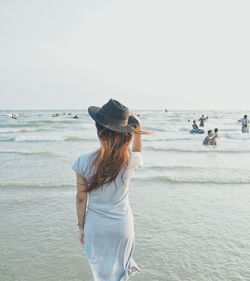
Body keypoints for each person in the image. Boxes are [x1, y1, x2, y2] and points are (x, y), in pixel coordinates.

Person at [72, 99, 150, 281]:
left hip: (95, 226)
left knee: (100, 274)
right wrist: (138, 130)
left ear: (99, 130)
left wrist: (81, 227)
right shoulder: (130, 160)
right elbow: (138, 151)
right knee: (120, 274)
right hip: (122, 226)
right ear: (126, 134)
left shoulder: (83, 161)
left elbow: (81, 198)